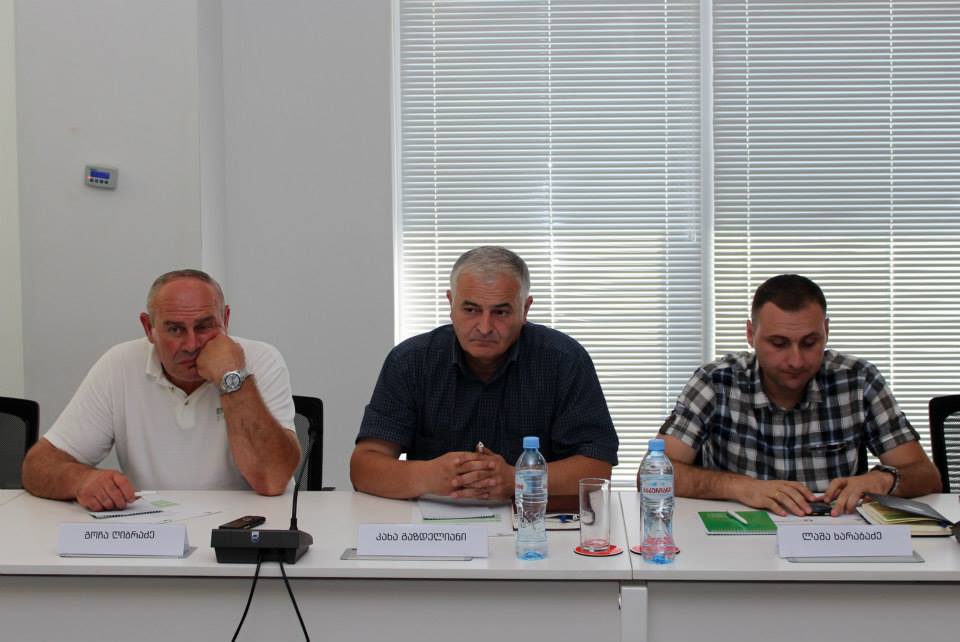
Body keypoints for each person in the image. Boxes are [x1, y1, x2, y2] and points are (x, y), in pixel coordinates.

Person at [652, 274, 941, 516]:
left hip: (836, 538)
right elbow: (653, 475)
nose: (796, 361)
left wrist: (883, 480)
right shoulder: (716, 382)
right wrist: (741, 487)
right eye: (778, 344)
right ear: (750, 334)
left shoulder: (858, 379)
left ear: (826, 330)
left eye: (810, 343)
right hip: (740, 536)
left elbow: (927, 475)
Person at [351, 246, 619, 500]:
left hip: (534, 519)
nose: (485, 327)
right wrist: (429, 475)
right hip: (433, 523)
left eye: (500, 312)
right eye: (471, 310)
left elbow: (597, 468)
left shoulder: (564, 360)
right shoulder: (410, 362)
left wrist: (517, 479)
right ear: (451, 303)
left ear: (525, 309)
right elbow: (363, 467)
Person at [22, 269, 301, 511]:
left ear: (225, 319)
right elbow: (37, 466)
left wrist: (232, 377)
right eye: (175, 330)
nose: (192, 344)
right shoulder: (120, 364)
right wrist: (81, 480)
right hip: (155, 530)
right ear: (149, 328)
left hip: (250, 528)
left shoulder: (261, 360)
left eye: (204, 326)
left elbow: (272, 480)